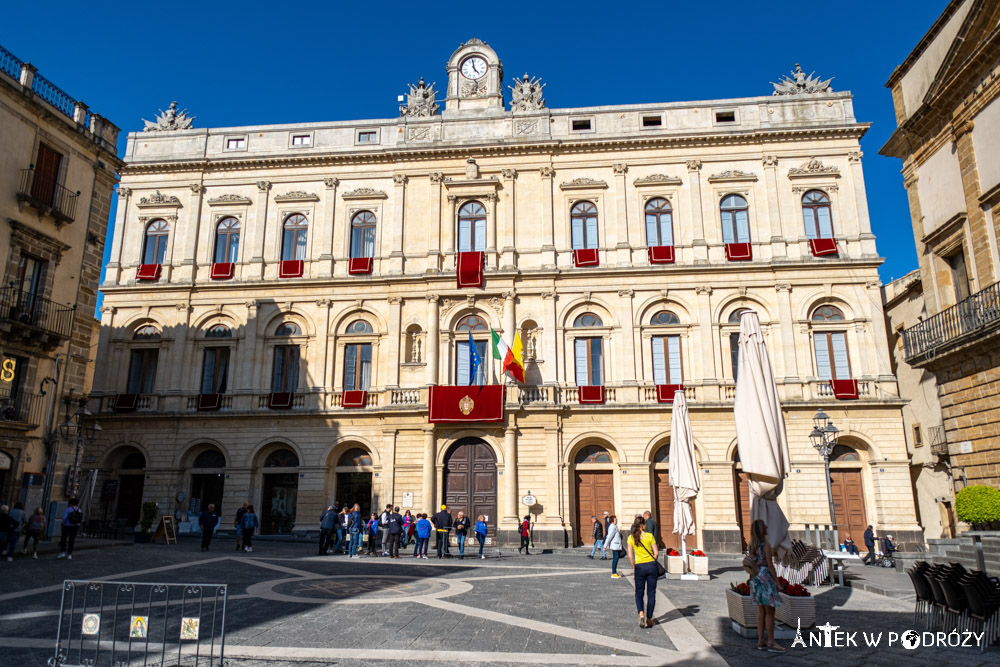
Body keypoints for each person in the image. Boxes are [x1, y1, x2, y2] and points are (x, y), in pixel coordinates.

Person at [743, 519, 785, 652]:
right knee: (770, 611)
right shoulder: (765, 545)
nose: (767, 527)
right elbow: (770, 565)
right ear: (762, 530)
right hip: (765, 577)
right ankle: (771, 642)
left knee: (761, 611)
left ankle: (761, 640)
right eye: (765, 526)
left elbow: (751, 563)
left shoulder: (751, 545)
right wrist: (777, 582)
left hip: (755, 578)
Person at [626, 515, 659, 628]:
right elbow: (656, 553)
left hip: (639, 567)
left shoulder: (631, 537)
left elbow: (630, 556)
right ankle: (649, 618)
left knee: (639, 593)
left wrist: (634, 567)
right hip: (651, 566)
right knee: (651, 593)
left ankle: (641, 614)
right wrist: (652, 562)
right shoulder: (649, 536)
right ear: (643, 525)